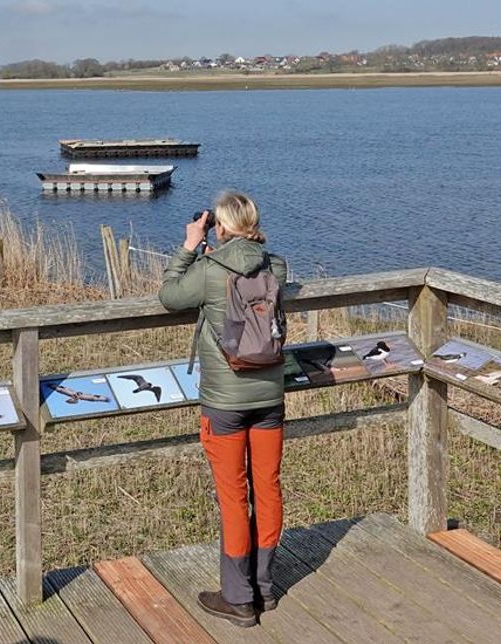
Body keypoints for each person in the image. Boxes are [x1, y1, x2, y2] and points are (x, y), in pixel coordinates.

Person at [158, 191, 287, 628]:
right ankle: (264, 588)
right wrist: (223, 248)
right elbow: (254, 272)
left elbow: (170, 295)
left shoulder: (210, 270)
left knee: (233, 495)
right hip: (270, 397)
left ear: (221, 226)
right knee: (267, 488)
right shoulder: (277, 266)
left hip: (225, 402)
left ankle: (237, 597)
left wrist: (190, 246)